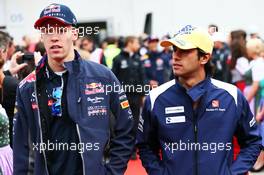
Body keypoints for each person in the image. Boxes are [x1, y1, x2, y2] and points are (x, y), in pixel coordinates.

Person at [13, 3, 135, 175]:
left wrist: (113, 171)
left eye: (61, 30)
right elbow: (21, 147)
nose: (54, 37)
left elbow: (126, 128)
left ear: (74, 34)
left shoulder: (103, 77)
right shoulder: (27, 87)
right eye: (48, 31)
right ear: (42, 37)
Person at [137, 25, 262, 175]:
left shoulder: (231, 96)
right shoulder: (156, 98)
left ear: (204, 57)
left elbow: (253, 141)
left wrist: (233, 172)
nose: (175, 56)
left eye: (184, 51)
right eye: (174, 50)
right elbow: (145, 146)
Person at [112, 36, 146, 159]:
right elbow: (113, 79)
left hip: (136, 96)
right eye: (137, 42)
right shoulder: (118, 59)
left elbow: (143, 78)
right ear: (130, 43)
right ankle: (122, 148)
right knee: (123, 121)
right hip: (122, 97)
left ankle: (133, 149)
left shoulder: (138, 59)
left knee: (135, 121)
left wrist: (143, 94)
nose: (139, 44)